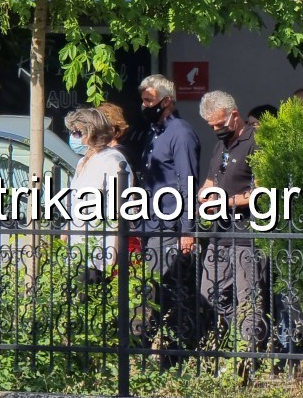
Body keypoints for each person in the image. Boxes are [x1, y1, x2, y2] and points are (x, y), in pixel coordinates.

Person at [135, 74, 201, 365]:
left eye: (149, 100)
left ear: (167, 101)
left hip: (169, 227)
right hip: (151, 225)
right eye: (143, 100)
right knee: (151, 290)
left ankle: (175, 354)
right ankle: (149, 352)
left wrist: (187, 229)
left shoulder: (180, 133)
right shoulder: (154, 133)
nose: (144, 105)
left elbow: (187, 183)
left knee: (167, 292)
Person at [197, 91, 269, 351]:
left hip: (246, 234)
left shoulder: (255, 142)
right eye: (211, 126)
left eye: (219, 124)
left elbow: (262, 191)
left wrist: (225, 202)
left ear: (234, 115)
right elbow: (210, 181)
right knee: (210, 293)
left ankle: (249, 355)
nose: (216, 130)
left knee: (248, 298)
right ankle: (237, 341)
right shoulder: (221, 146)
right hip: (220, 233)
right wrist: (203, 196)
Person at [63, 107, 127, 280]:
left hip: (98, 251)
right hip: (77, 249)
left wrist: (113, 253)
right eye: (72, 132)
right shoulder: (82, 162)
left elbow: (118, 211)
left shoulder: (112, 160)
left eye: (77, 132)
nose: (73, 136)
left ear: (92, 132)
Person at [96, 102, 139, 172]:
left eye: (97, 126)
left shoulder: (116, 154)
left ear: (111, 130)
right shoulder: (114, 151)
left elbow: (114, 178)